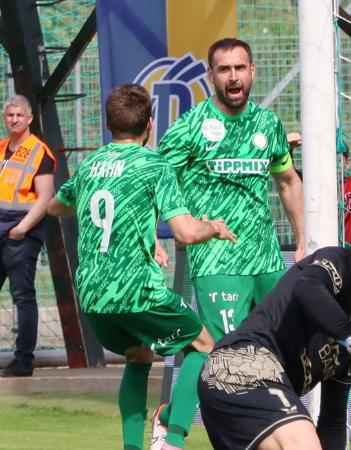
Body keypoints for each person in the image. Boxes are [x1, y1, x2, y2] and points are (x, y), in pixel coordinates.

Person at [47, 84, 236, 450]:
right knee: (203, 345)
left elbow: (57, 206)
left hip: (93, 294)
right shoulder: (153, 165)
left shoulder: (90, 166)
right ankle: (173, 436)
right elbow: (184, 231)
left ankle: (133, 445)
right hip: (136, 289)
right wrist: (212, 226)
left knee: (138, 355)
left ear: (108, 125)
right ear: (150, 123)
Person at [197, 216, 351, 450]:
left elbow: (333, 420)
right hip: (237, 366)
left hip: (249, 395)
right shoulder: (342, 263)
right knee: (303, 442)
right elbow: (306, 288)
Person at [156, 37, 304, 343]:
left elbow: (288, 181)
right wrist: (152, 237)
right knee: (227, 355)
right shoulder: (188, 126)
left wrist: (303, 240)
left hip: (267, 260)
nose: (233, 76)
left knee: (281, 350)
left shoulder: (268, 124)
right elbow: (154, 182)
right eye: (224, 69)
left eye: (239, 67)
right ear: (211, 76)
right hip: (216, 261)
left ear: (253, 71)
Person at [0, 95, 56, 378]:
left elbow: (46, 197)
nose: (14, 120)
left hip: (21, 233)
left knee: (22, 297)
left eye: (19, 115)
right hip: (2, 228)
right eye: (10, 115)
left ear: (30, 118)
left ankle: (23, 360)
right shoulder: (1, 149)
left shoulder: (39, 152)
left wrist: (22, 228)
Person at [287, 131, 351, 245]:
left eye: (337, 158)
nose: (332, 163)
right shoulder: (310, 186)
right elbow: (289, 176)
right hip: (318, 252)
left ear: (347, 163)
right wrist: (287, 150)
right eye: (326, 159)